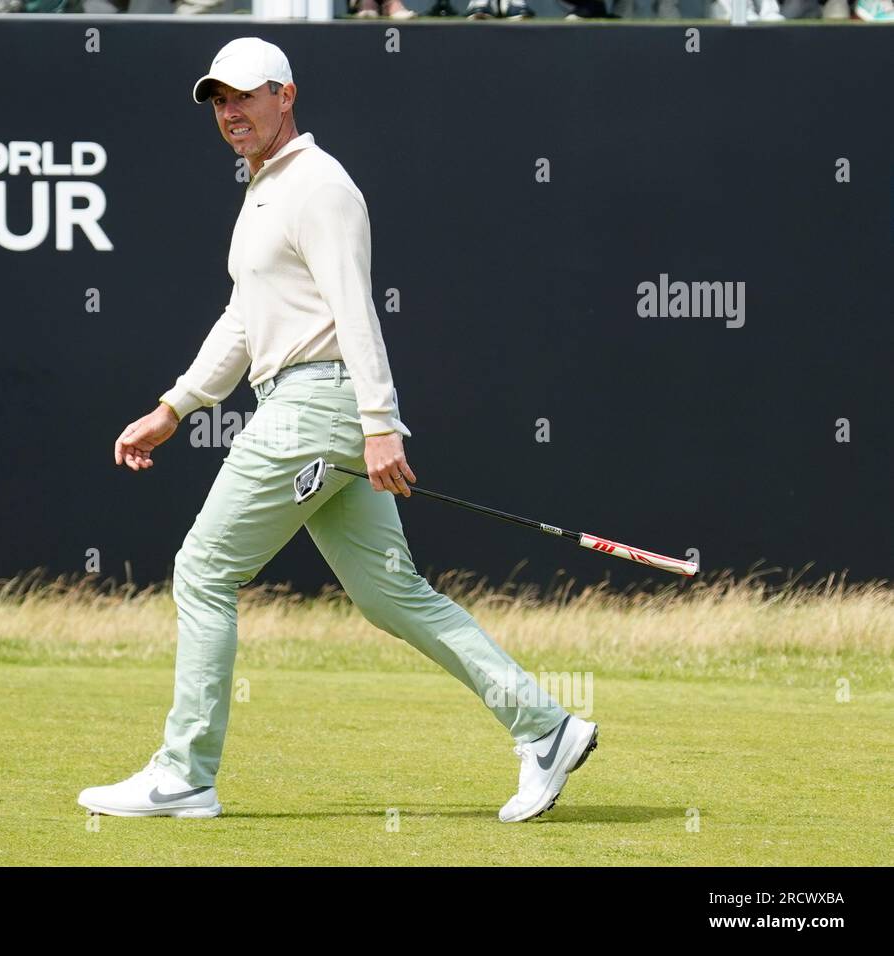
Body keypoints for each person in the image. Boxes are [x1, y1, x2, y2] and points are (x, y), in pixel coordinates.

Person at [79, 37, 598, 824]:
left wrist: (380, 424)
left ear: (286, 95)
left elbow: (356, 311)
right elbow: (242, 321)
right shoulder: (264, 190)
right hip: (314, 406)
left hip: (314, 408)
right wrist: (175, 408)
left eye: (245, 96)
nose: (230, 112)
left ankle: (184, 774)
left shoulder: (319, 186)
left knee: (204, 569)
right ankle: (546, 727)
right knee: (392, 595)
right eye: (219, 100)